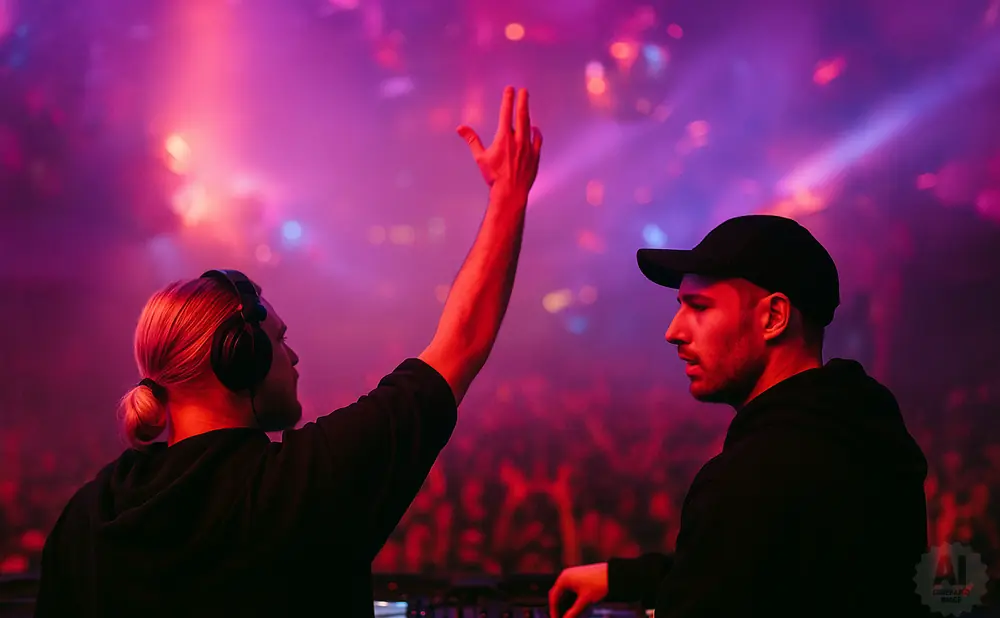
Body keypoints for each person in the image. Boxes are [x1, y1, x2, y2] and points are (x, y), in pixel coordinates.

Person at [34, 86, 543, 617]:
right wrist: (508, 196)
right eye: (279, 340)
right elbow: (459, 347)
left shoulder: (87, 515)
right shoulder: (303, 484)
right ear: (239, 356)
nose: (293, 357)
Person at [549, 215, 930, 618]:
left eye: (699, 307)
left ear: (773, 317)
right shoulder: (860, 429)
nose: (674, 331)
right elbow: (776, 575)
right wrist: (629, 579)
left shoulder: (750, 476)